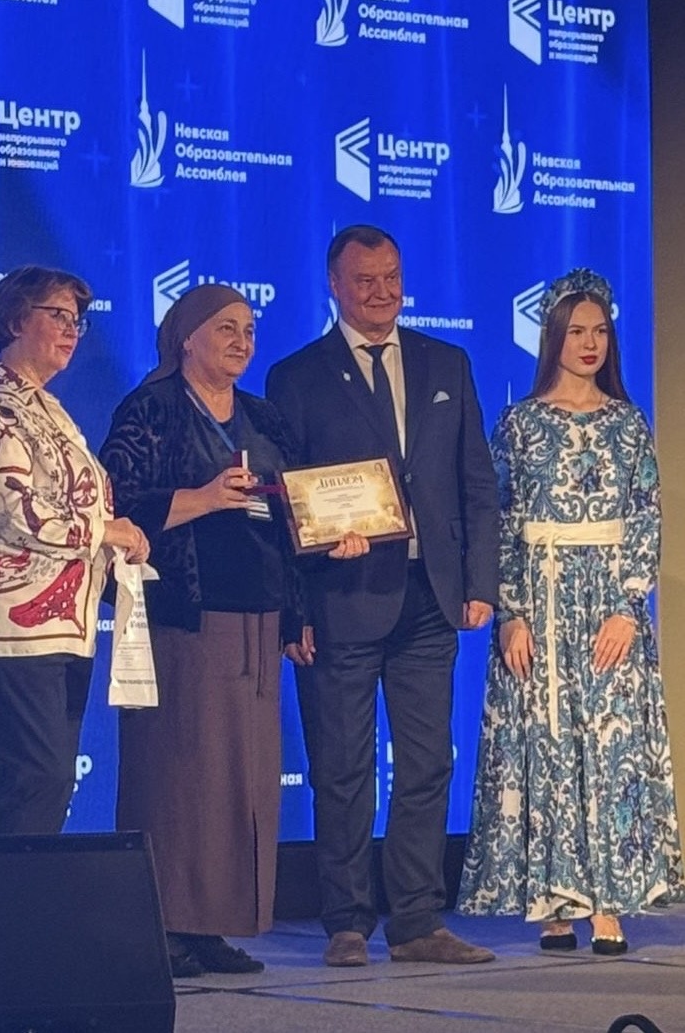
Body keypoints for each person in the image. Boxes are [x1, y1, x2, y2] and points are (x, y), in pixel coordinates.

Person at [100, 284, 367, 978]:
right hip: (183, 620)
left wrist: (322, 561)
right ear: (186, 336)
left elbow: (292, 517)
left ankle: (212, 925)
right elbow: (111, 506)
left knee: (240, 784)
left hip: (259, 620)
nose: (242, 342)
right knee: (177, 775)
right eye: (225, 328)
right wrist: (202, 498)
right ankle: (164, 925)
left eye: (248, 329)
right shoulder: (150, 409)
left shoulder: (263, 418)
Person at [266, 224, 499, 966]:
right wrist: (299, 595)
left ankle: (418, 920)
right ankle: (345, 921)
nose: (381, 291)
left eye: (391, 276)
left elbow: (475, 481)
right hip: (340, 595)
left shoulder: (446, 362)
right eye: (364, 279)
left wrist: (480, 581)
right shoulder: (296, 376)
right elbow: (285, 500)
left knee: (427, 763)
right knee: (341, 767)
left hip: (431, 597)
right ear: (334, 285)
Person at [458, 268, 683, 953]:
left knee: (609, 746)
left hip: (607, 605)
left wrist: (627, 606)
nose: (589, 344)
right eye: (576, 331)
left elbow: (645, 514)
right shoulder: (519, 424)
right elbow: (498, 519)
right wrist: (511, 612)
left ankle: (607, 902)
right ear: (552, 337)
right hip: (539, 600)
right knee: (544, 744)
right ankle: (553, 901)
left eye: (600, 332)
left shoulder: (627, 422)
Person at [0, 265, 148, 837]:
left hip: (61, 623)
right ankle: (6, 898)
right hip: (7, 621)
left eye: (76, 320)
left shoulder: (43, 406)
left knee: (46, 782)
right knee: (37, 776)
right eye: (57, 316)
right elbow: (13, 510)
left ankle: (21, 895)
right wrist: (106, 531)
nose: (72, 330)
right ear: (14, 321)